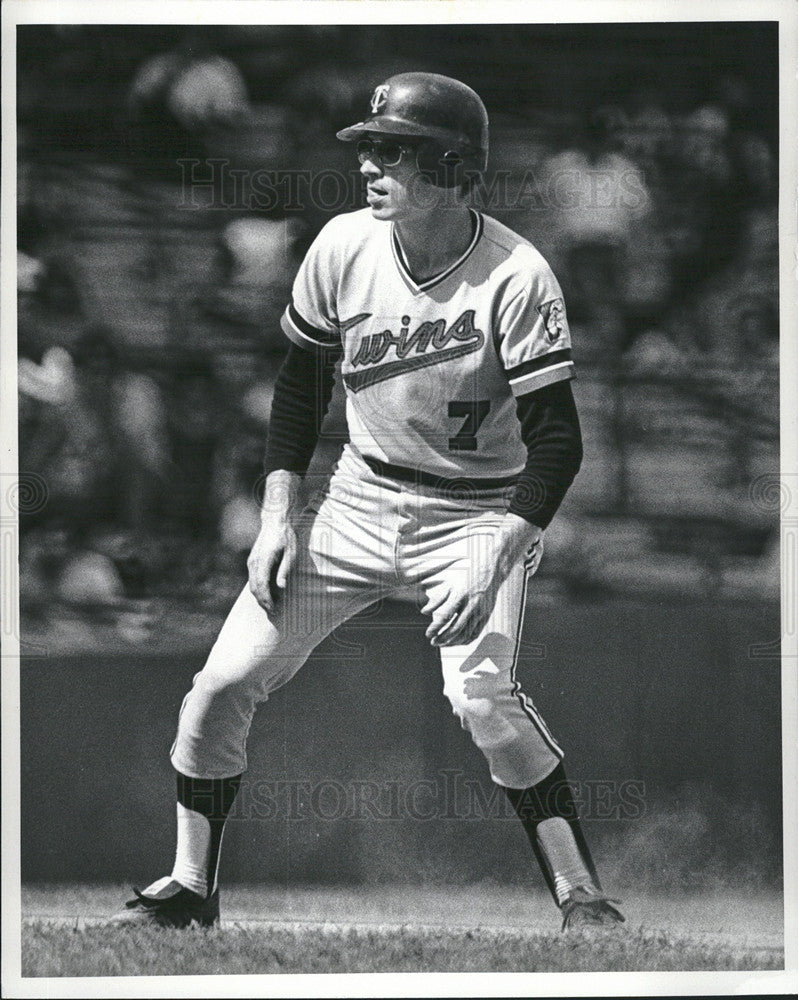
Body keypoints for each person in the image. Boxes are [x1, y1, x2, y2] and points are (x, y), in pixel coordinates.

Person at [114, 72, 624, 932]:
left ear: (454, 168)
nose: (369, 164)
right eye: (369, 147)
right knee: (219, 683)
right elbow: (297, 389)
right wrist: (278, 513)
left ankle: (581, 894)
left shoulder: (517, 275)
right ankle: (189, 887)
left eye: (393, 150)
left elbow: (560, 444)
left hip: (475, 512)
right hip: (357, 497)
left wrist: (500, 551)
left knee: (481, 699)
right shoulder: (343, 245)